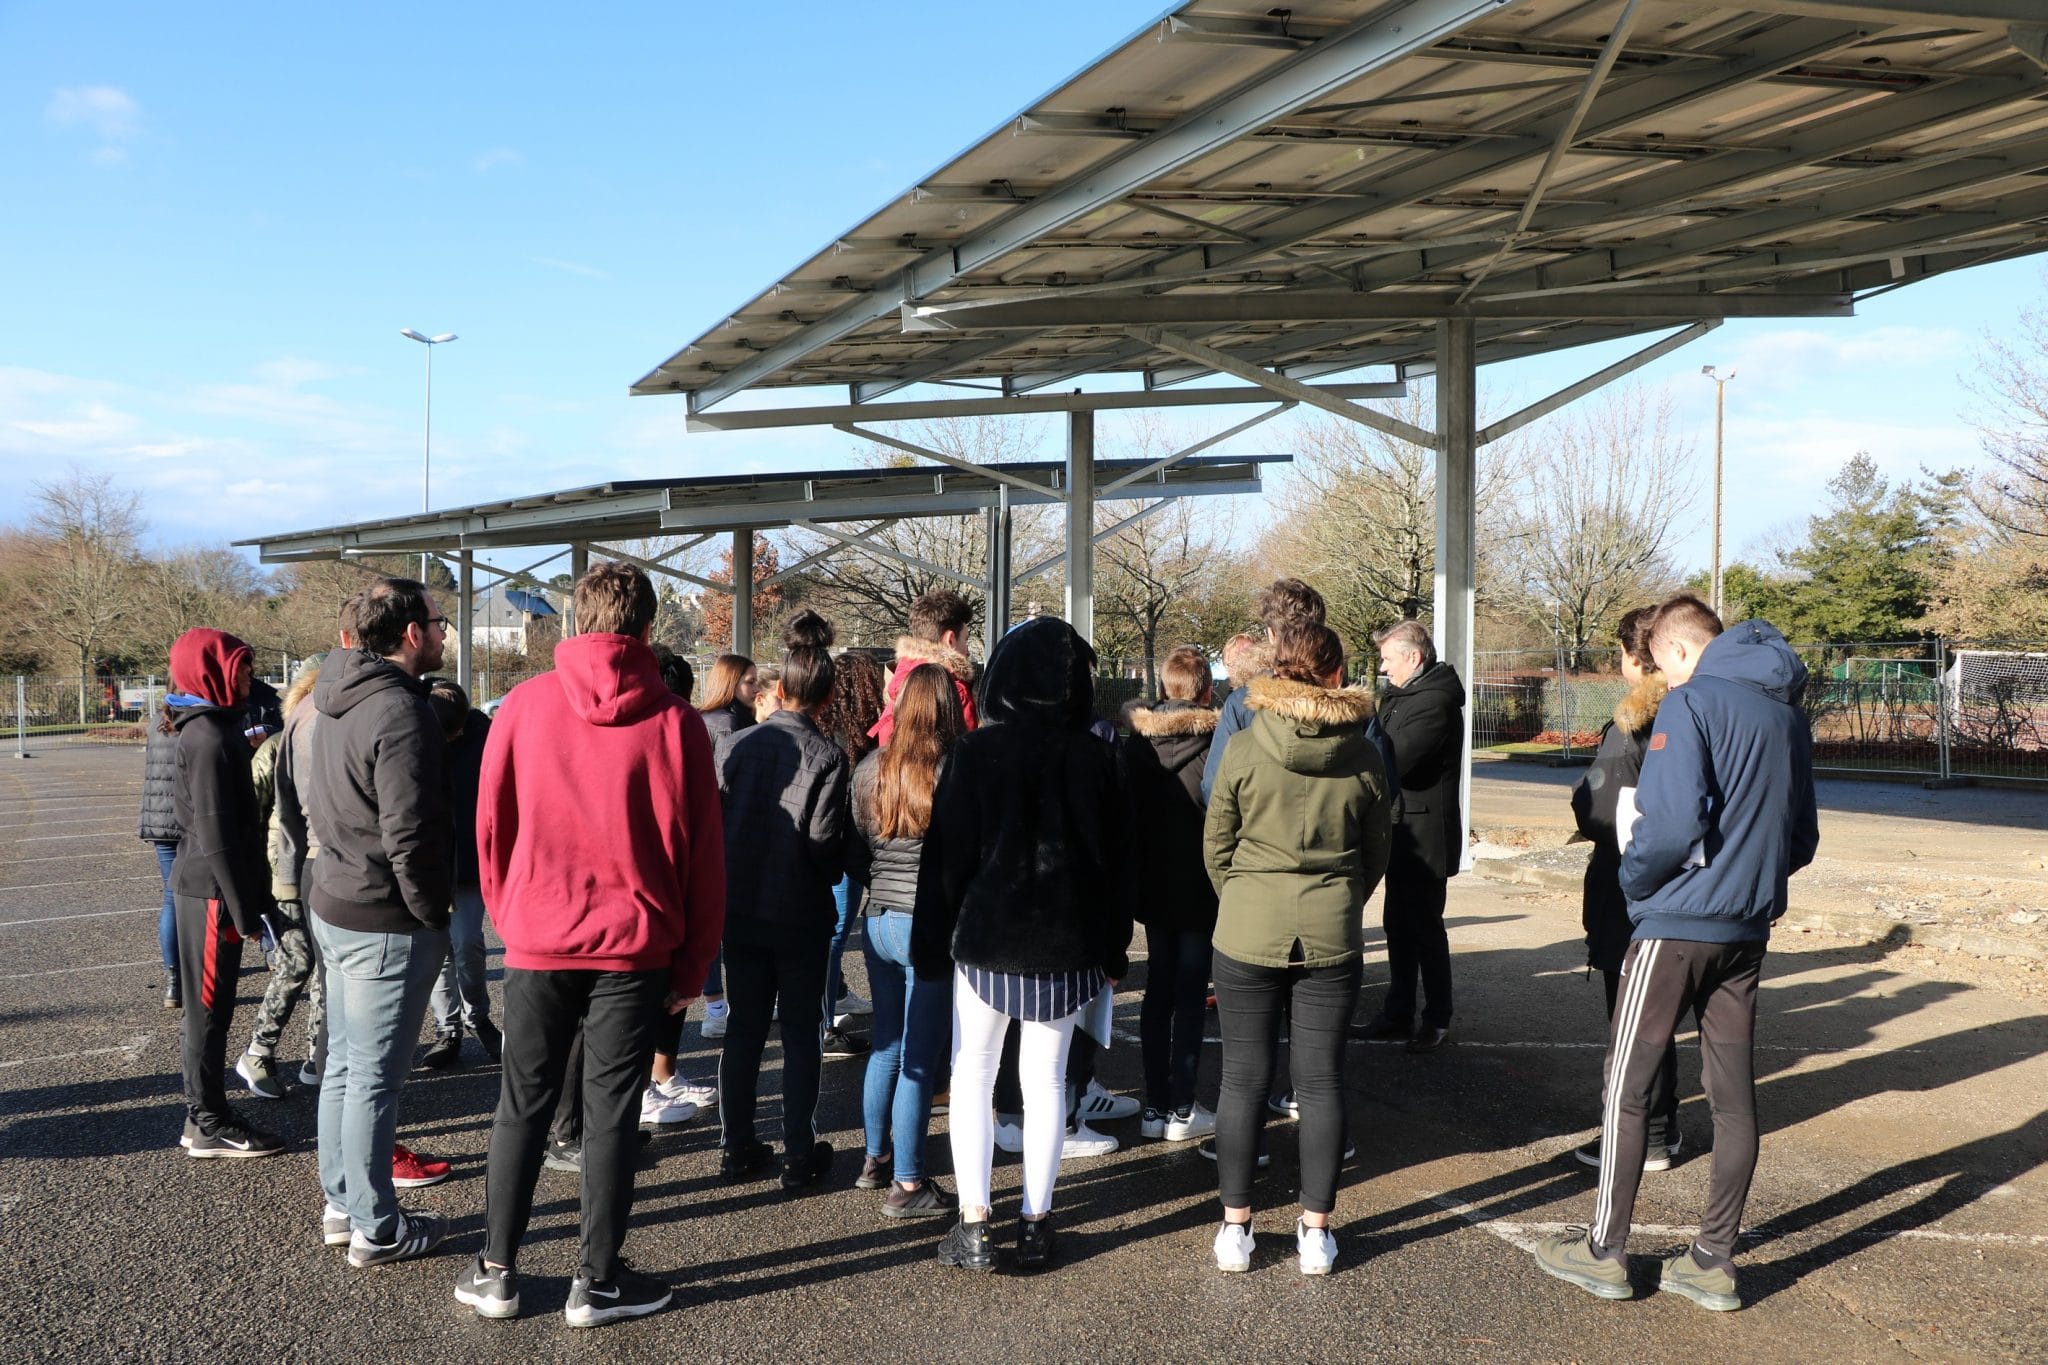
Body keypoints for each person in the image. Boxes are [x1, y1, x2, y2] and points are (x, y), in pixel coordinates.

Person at [1532, 595, 1818, 1314]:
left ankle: (1604, 1249)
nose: (1661, 679)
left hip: (1674, 924)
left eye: (1662, 665)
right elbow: (1802, 837)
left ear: (1679, 651)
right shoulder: (1788, 714)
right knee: (1733, 1096)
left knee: (1626, 1083)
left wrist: (1636, 882)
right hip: (1746, 929)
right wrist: (1749, 882)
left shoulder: (1692, 703)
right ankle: (1714, 1260)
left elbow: (1670, 822)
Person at [461, 561, 725, 1327]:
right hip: (634, 945)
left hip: (539, 937)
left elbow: (490, 824)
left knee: (523, 1104)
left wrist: (511, 913)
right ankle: (597, 1280)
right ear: (648, 628)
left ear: (578, 622)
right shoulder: (676, 722)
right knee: (612, 1112)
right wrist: (694, 964)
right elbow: (703, 858)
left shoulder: (522, 706)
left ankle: (497, 1271)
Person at [913, 616, 1132, 1274]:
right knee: (1046, 1083)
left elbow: (945, 863)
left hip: (986, 942)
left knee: (973, 1076)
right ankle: (1036, 1222)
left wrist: (930, 947)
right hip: (1068, 947)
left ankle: (975, 1223)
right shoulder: (1096, 757)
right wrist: (1114, 948)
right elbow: (1117, 865)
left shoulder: (975, 752)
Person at [1203, 622, 1391, 1275]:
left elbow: (1216, 845)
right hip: (1330, 931)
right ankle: (1315, 1231)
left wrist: (1241, 898)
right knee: (1321, 1080)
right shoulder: (1365, 755)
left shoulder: (1244, 746)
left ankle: (1235, 1228)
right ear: (1337, 674)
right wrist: (1340, 902)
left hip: (1247, 928)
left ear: (1278, 672)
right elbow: (1376, 854)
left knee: (1241, 1078)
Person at [305, 576, 454, 1268]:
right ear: (410, 633)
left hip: (338, 900)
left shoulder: (338, 692)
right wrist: (431, 912)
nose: (444, 632)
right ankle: (377, 1227)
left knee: (345, 1065)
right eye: (438, 620)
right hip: (382, 917)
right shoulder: (399, 709)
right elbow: (411, 832)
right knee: (372, 1078)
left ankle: (345, 1204)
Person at [715, 611, 849, 1191]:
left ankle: (737, 1144)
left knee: (744, 1028)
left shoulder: (736, 745)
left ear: (780, 687)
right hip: (799, 912)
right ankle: (798, 1150)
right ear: (826, 696)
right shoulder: (828, 755)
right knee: (800, 1032)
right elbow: (823, 843)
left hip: (740, 907)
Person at [847, 663, 966, 1218]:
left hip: (878, 919)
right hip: (930, 924)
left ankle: (876, 1159)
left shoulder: (870, 768)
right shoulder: (951, 769)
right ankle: (910, 1182)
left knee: (887, 1046)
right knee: (920, 1054)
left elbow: (853, 848)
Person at [164, 627, 283, 1159]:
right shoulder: (209, 735)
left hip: (212, 890)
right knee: (208, 1011)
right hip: (211, 893)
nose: (249, 675)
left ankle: (203, 1117)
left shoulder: (214, 726)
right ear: (212, 671)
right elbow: (216, 834)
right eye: (241, 666)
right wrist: (245, 910)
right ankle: (208, 1122)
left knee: (212, 1009)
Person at [1569, 607, 1680, 1172]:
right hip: (1687, 887)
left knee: (1635, 1021)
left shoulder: (1635, 723)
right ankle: (1663, 1127)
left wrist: (1583, 798)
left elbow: (1600, 809)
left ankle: (1647, 1136)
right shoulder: (1697, 709)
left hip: (1631, 884)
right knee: (1659, 1015)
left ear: (1636, 659)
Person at [1352, 619, 1465, 1053]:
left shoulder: (1434, 703)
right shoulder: (1402, 697)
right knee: (1397, 927)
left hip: (1425, 836)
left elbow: (1396, 760)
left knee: (1425, 930)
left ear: (1413, 657)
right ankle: (1397, 1013)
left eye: (1387, 659)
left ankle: (1436, 1018)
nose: (1383, 668)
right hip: (1401, 830)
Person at [1123, 645, 1220, 1143]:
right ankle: (1182, 1105)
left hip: (1153, 881)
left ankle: (1156, 1103)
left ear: (1162, 688)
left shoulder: (1136, 745)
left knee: (1158, 991)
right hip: (1201, 883)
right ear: (1206, 690)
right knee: (1190, 994)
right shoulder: (1218, 742)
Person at [232, 660, 325, 1102]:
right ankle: (258, 1051)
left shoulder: (329, 738)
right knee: (297, 961)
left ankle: (317, 1056)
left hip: (321, 869)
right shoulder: (278, 745)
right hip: (285, 871)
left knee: (325, 966)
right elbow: (250, 811)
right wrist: (255, 880)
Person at [418, 679, 502, 1071]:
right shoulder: (415, 731)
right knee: (439, 952)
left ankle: (478, 1017)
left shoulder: (485, 739)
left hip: (468, 863)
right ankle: (447, 1028)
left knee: (468, 944)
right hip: (430, 862)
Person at [817, 649, 888, 1056]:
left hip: (832, 849)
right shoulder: (857, 740)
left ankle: (824, 1015)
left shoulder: (826, 729)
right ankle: (823, 1026)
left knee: (833, 935)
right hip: (846, 851)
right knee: (835, 935)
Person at [1200, 579, 1325, 804]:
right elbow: (1381, 784)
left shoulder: (1241, 703)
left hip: (1257, 822)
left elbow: (1214, 787)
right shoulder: (1354, 703)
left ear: (1270, 634)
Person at [693, 652, 756, 1039]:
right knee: (728, 925)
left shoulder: (707, 719)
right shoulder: (729, 723)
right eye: (749, 681)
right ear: (731, 683)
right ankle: (720, 1009)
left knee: (713, 924)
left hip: (710, 833)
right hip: (728, 834)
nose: (756, 687)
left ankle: (716, 1007)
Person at [140, 684, 204, 1010]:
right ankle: (198, 972)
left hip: (159, 820)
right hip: (188, 820)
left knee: (170, 898)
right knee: (198, 899)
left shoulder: (156, 722)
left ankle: (174, 981)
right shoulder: (197, 723)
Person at [871, 588, 979, 747]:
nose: (967, 651)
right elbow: (967, 753)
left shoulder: (899, 684)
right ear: (950, 639)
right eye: (965, 640)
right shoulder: (954, 691)